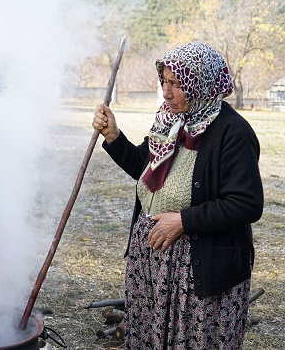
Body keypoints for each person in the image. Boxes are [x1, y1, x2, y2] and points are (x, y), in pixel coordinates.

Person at [92, 41, 263, 349]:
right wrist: (114, 137)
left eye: (175, 84)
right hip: (154, 259)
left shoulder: (232, 132)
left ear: (200, 84)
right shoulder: (170, 121)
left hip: (198, 267)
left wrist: (184, 221)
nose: (166, 92)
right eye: (164, 82)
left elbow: (246, 203)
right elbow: (145, 169)